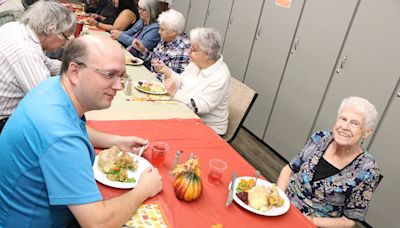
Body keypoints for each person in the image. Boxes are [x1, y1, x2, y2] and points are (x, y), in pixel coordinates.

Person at [0, 35, 162, 227]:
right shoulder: (61, 136)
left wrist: (115, 141)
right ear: (75, 72)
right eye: (109, 75)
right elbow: (97, 223)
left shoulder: (52, 87)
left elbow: (72, 127)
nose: (118, 86)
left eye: (121, 76)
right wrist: (143, 190)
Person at [277, 96, 382, 227]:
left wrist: (305, 221)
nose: (345, 126)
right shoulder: (319, 138)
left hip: (314, 224)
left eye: (355, 123)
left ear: (366, 132)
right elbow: (289, 170)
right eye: (343, 119)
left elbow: (348, 221)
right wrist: (278, 200)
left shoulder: (368, 171)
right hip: (283, 206)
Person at [0, 0, 75, 133]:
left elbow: (47, 62)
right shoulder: (25, 52)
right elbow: (48, 100)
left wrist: (75, 68)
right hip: (5, 121)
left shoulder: (17, 27)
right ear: (52, 29)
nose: (65, 44)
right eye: (65, 37)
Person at [153, 27, 230, 135]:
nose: (188, 52)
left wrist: (175, 93)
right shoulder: (196, 63)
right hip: (186, 113)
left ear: (206, 54)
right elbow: (182, 81)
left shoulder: (220, 75)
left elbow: (200, 107)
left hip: (207, 126)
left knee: (160, 128)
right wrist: (167, 72)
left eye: (193, 50)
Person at [133, 8, 190, 81]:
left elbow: (173, 78)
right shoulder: (166, 39)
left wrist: (153, 75)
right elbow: (154, 59)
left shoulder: (183, 48)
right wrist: (143, 50)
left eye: (162, 29)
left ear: (173, 32)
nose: (159, 32)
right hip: (152, 79)